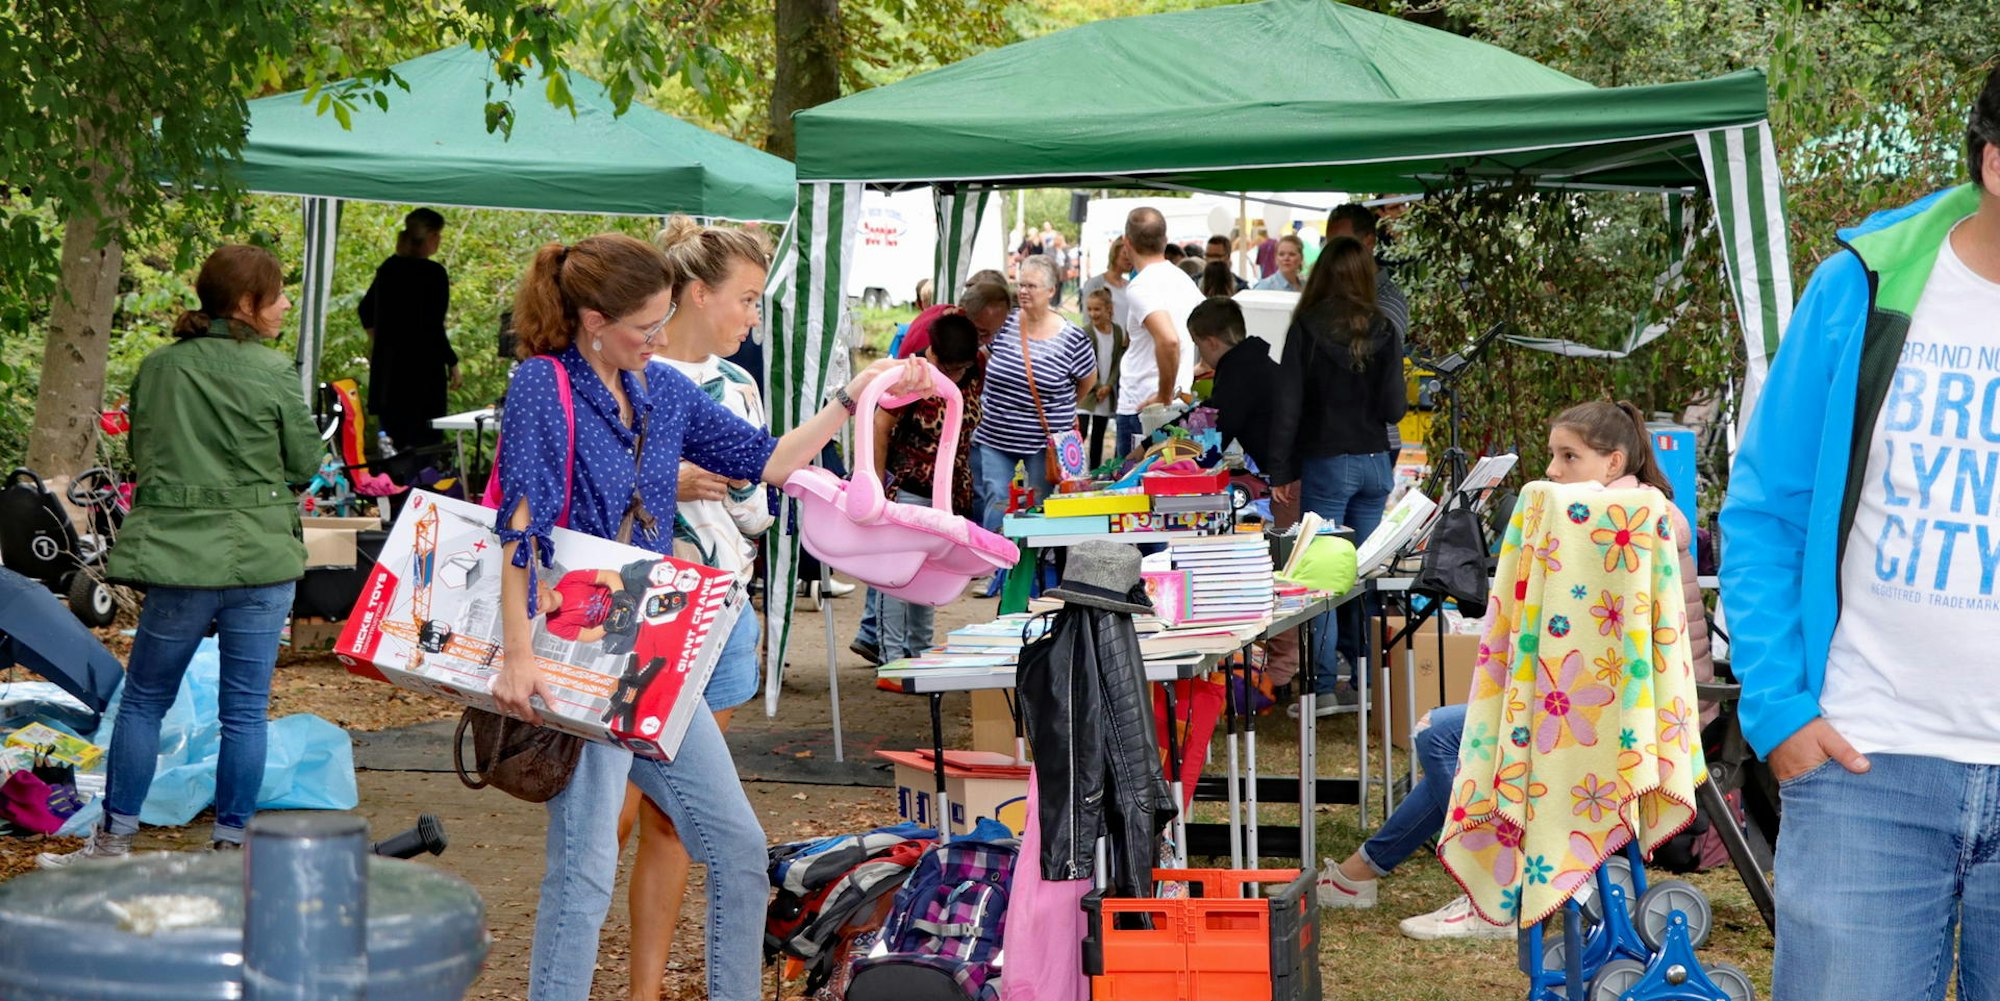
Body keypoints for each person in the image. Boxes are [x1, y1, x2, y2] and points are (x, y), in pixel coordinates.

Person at [484, 232, 930, 1001]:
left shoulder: (660, 388)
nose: (657, 340)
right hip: (581, 650)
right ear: (594, 318)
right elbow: (520, 520)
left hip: (654, 654)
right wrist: (517, 652)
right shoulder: (541, 384)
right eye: (643, 326)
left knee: (736, 845)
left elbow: (773, 460)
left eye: (661, 323)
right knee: (585, 867)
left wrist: (854, 397)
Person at [1720, 67, 2000, 1001]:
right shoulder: (1862, 285)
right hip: (1866, 763)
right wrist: (1780, 710)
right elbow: (1766, 508)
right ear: (1996, 165)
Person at [1318, 399, 1713, 940]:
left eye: (1568, 456)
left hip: (1620, 712)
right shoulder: (1622, 514)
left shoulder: (1638, 518)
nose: (1551, 470)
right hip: (1601, 700)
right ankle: (1372, 872)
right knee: (1450, 734)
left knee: (1446, 738)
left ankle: (1501, 893)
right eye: (1552, 455)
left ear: (1614, 463)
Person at [41, 245, 321, 864]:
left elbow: (144, 450)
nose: (284, 304)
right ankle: (229, 849)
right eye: (276, 295)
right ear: (246, 305)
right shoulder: (273, 371)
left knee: (143, 700)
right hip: (262, 558)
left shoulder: (159, 368)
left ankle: (113, 841)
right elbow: (305, 462)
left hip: (177, 556)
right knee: (245, 712)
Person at [612, 217, 777, 1001]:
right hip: (640, 620)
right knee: (609, 808)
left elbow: (754, 508)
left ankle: (646, 989)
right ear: (698, 293)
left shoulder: (737, 387)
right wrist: (663, 479)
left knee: (678, 821)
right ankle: (587, 965)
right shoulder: (625, 377)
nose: (753, 316)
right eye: (746, 299)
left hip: (719, 618)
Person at [1267, 237, 1405, 713]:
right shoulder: (1385, 327)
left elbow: (1286, 406)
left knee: (1321, 575)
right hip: (1375, 463)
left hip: (1328, 461)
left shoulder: (1307, 327)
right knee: (1364, 575)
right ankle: (1367, 682)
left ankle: (1323, 686)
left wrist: (1281, 468)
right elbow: (1395, 407)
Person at [870, 311, 985, 660]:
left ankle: (921, 651)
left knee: (930, 575)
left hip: (949, 494)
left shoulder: (975, 369)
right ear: (931, 353)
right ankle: (891, 657)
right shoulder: (909, 377)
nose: (953, 376)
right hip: (907, 490)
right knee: (896, 578)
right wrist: (875, 486)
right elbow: (879, 427)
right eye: (947, 368)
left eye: (960, 369)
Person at [971, 254, 1097, 532]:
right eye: (1020, 285)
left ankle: (1035, 567)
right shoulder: (1003, 324)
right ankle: (996, 566)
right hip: (996, 435)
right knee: (997, 501)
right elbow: (982, 357)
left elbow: (1088, 381)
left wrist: (1065, 406)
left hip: (1045, 443)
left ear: (1051, 291)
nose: (1023, 291)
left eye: (1031, 286)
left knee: (1042, 505)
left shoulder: (1073, 338)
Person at [360, 208, 457, 452]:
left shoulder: (388, 269)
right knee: (424, 448)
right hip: (423, 376)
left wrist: (380, 342)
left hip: (389, 375)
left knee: (393, 449)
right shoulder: (434, 274)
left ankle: (393, 489)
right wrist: (452, 362)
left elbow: (364, 310)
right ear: (433, 237)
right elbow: (434, 326)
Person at [1119, 207, 1202, 459]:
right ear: (1165, 241)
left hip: (1145, 407)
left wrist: (1163, 395)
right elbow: (1203, 330)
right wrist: (1191, 370)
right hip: (1175, 404)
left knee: (1134, 493)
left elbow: (1168, 340)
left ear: (1127, 242)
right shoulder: (1183, 280)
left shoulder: (1141, 285)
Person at [1186, 297, 1279, 474]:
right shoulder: (1250, 363)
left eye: (1198, 345)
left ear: (1212, 343)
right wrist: (1152, 443)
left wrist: (1179, 467)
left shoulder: (1238, 373)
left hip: (1295, 478)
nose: (1201, 354)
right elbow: (1211, 409)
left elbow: (1217, 435)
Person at [894, 274, 1011, 360]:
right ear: (961, 313)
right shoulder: (934, 337)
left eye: (995, 332)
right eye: (981, 332)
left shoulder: (951, 317)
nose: (989, 341)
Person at [1079, 288, 1127, 469]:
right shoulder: (1086, 332)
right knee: (1081, 431)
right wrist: (1098, 385)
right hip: (1088, 392)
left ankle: (1094, 471)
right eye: (1089, 309)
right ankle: (1071, 468)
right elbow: (1085, 363)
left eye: (1097, 309)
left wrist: (1108, 385)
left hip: (1106, 392)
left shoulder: (1117, 331)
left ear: (1109, 309)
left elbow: (1116, 362)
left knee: (1099, 434)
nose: (1093, 314)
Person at [1078, 235, 1133, 335]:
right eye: (1125, 253)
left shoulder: (1130, 286)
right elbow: (1087, 319)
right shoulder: (1095, 284)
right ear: (1115, 254)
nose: (1129, 258)